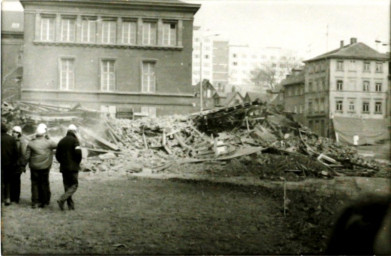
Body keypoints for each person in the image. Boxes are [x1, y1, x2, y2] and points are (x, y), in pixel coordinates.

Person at [26, 123, 57, 208]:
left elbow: (27, 156)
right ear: (45, 132)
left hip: (34, 167)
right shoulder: (49, 142)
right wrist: (48, 136)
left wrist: (23, 165)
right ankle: (44, 201)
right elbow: (56, 145)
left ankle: (35, 202)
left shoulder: (31, 143)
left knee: (34, 184)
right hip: (45, 166)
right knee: (44, 183)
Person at [55, 124, 82, 211]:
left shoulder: (61, 141)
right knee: (74, 185)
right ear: (74, 132)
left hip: (64, 167)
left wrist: (62, 162)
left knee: (67, 186)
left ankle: (71, 206)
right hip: (73, 167)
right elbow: (78, 154)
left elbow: (57, 155)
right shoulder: (75, 141)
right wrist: (77, 163)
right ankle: (62, 199)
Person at [1, 123, 18, 206]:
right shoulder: (11, 139)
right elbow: (16, 153)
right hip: (9, 164)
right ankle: (7, 198)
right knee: (7, 181)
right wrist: (14, 163)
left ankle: (1, 198)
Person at [10, 126, 28, 203]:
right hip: (11, 164)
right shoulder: (12, 140)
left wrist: (23, 165)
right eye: (13, 132)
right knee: (11, 180)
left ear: (19, 133)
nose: (14, 133)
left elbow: (23, 154)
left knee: (16, 181)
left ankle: (16, 197)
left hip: (17, 164)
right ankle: (12, 197)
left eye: (16, 132)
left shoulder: (22, 141)